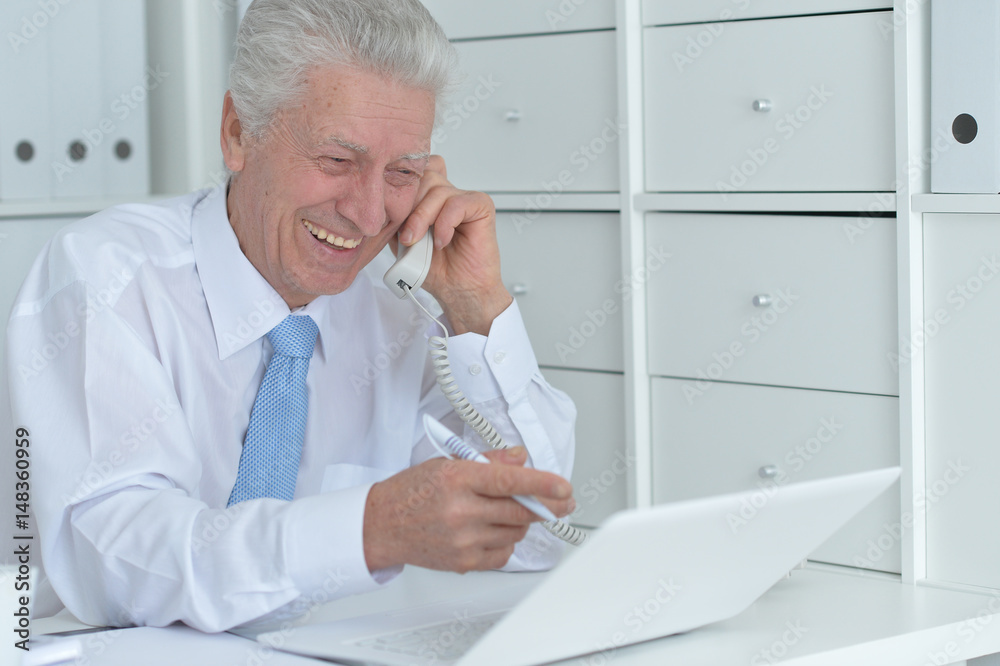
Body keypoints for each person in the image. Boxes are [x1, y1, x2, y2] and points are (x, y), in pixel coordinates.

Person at [6, 0, 576, 632]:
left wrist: (476, 306)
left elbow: (535, 535)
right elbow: (119, 563)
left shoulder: (402, 316)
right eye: (337, 161)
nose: (368, 216)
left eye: (402, 172)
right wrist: (369, 530)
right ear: (238, 133)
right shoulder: (104, 277)